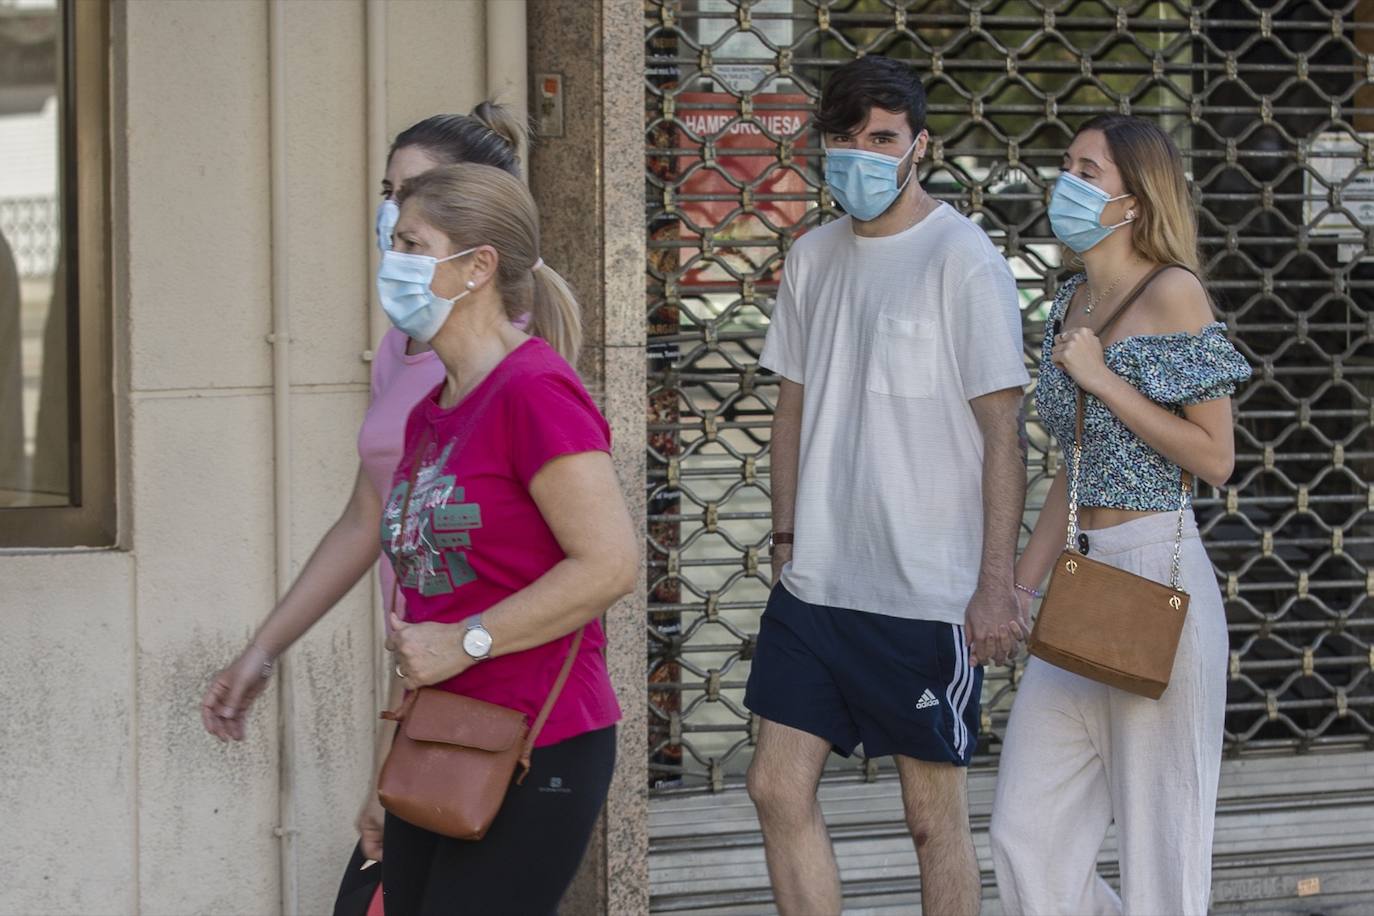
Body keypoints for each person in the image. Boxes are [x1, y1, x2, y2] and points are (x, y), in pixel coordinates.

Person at [198, 102, 526, 874]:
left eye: (413, 193)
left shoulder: (513, 362)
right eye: (389, 190)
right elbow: (368, 516)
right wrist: (263, 651)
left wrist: (400, 740)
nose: (393, 212)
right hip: (422, 683)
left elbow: (575, 561)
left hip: (492, 694)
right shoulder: (403, 347)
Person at [744, 56, 1031, 915]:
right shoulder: (813, 256)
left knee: (929, 818)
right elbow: (790, 409)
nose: (862, 156)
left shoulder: (962, 257)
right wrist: (788, 539)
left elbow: (1002, 433)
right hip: (817, 586)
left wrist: (993, 586)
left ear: (919, 145)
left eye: (882, 139)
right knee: (773, 787)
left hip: (923, 595)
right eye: (844, 140)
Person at [988, 115, 1251, 915]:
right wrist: (1016, 589)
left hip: (1155, 567)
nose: (1065, 179)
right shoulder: (1071, 302)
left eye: (1087, 169)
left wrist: (1104, 381)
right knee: (1024, 831)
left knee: (1159, 848)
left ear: (1133, 201)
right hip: (1083, 576)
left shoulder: (1174, 290)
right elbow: (1076, 467)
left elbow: (1214, 457)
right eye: (1065, 161)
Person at [365, 161, 634, 913]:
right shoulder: (432, 411)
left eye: (413, 244)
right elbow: (421, 608)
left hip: (535, 743)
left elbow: (610, 563)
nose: (393, 263)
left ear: (477, 267)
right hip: (438, 738)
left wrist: (467, 642)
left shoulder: (535, 392)